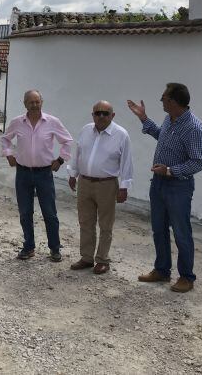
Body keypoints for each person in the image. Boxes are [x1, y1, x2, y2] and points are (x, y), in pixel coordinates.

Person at [127, 83, 202, 293]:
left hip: (178, 186)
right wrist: (143, 118)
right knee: (158, 229)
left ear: (173, 101)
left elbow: (199, 161)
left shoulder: (193, 127)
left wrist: (170, 170)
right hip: (159, 183)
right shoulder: (170, 119)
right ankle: (162, 270)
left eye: (163, 98)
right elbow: (161, 136)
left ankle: (186, 277)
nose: (161, 101)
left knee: (181, 232)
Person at [1, 90, 73, 262]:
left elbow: (67, 141)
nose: (34, 105)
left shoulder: (52, 122)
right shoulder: (17, 122)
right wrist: (9, 155)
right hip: (23, 173)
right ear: (25, 104)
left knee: (49, 213)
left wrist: (61, 160)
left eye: (37, 102)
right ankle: (29, 246)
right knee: (25, 212)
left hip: (44, 174)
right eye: (30, 102)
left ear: (42, 102)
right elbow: (5, 139)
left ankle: (55, 248)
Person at [67, 101, 133, 275]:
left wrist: (124, 186)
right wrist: (73, 174)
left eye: (105, 113)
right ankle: (87, 257)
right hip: (85, 183)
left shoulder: (121, 135)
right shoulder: (86, 130)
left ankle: (102, 259)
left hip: (107, 185)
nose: (101, 116)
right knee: (85, 221)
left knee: (105, 224)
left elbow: (126, 163)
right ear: (93, 115)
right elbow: (77, 153)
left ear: (113, 115)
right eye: (98, 113)